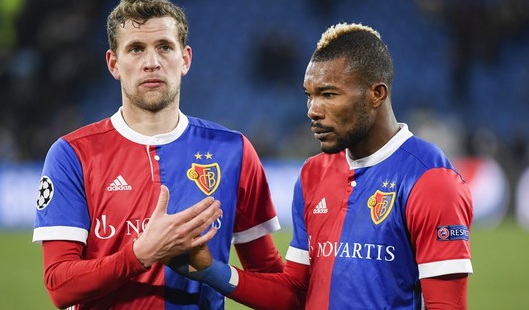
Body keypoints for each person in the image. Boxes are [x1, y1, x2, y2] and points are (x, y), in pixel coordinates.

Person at [172, 22, 474, 309]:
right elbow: (294, 294)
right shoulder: (313, 174)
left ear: (376, 94)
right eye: (309, 96)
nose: (313, 111)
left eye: (328, 94)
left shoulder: (431, 181)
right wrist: (210, 269)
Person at [32, 0, 284, 309]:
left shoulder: (233, 151)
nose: (152, 63)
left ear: (185, 59)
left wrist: (212, 272)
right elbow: (60, 285)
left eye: (164, 47)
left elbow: (278, 291)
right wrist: (140, 254)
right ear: (114, 64)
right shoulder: (72, 154)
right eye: (136, 49)